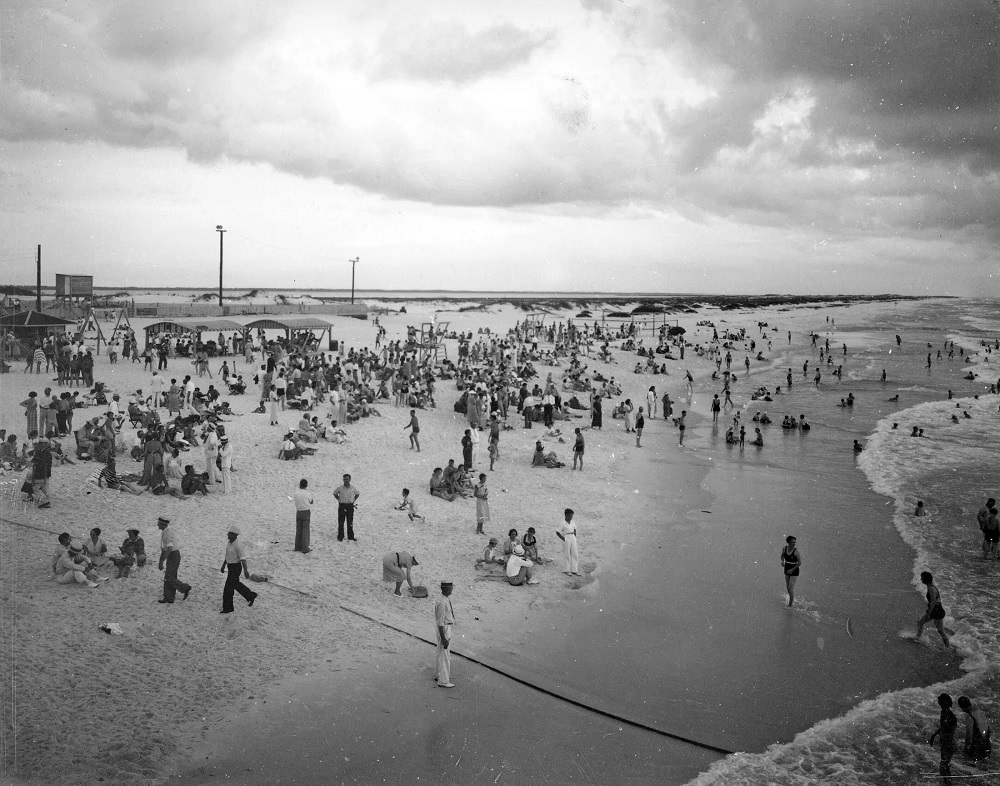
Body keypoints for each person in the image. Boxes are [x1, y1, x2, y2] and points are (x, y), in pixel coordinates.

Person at [219, 525, 257, 614]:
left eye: (229, 534)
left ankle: (228, 608)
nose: (228, 535)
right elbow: (227, 556)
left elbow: (243, 559)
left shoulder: (238, 545)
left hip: (236, 568)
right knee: (235, 584)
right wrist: (223, 565)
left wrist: (246, 571)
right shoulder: (229, 543)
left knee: (228, 588)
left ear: (235, 535)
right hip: (230, 567)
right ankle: (250, 596)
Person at [157, 516, 191, 604]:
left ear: (162, 524)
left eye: (159, 523)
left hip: (173, 555)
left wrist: (162, 560)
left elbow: (169, 548)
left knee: (169, 577)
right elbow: (164, 549)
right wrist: (160, 561)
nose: (157, 524)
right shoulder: (165, 532)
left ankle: (184, 588)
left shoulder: (167, 533)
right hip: (172, 555)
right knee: (169, 576)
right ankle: (169, 597)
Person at [915, 570, 950, 647]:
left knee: (940, 630)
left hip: (936, 610)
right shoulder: (931, 586)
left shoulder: (931, 588)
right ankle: (918, 638)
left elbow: (933, 602)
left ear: (925, 579)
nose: (921, 579)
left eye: (922, 578)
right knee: (939, 630)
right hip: (937, 609)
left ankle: (918, 638)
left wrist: (929, 613)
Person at [928, 693, 959, 776]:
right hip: (948, 743)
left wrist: (935, 736)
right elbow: (944, 728)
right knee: (945, 765)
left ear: (944, 703)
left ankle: (948, 782)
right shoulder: (947, 713)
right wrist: (934, 735)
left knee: (943, 767)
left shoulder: (947, 715)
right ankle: (948, 781)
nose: (940, 706)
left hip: (947, 744)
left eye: (940, 704)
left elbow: (946, 730)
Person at [957, 696, 992, 763]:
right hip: (987, 745)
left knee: (969, 762)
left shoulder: (970, 716)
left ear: (962, 707)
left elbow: (969, 734)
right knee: (984, 764)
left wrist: (967, 747)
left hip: (979, 748)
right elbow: (989, 730)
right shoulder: (979, 712)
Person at [434, 581, 456, 688]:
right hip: (445, 628)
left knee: (440, 652)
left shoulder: (443, 599)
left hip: (444, 627)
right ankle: (443, 680)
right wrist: (444, 638)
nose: (452, 589)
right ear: (447, 589)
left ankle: (438, 675)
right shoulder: (442, 602)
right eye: (451, 588)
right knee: (445, 654)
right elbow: (440, 622)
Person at [333, 473, 360, 543]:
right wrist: (339, 500)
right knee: (341, 522)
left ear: (350, 480)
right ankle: (340, 536)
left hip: (350, 506)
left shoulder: (353, 488)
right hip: (342, 506)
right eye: (344, 479)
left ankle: (351, 536)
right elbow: (335, 493)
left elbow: (357, 494)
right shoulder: (340, 488)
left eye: (347, 479)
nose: (345, 481)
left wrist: (354, 500)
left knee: (350, 522)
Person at [557, 508, 580, 576]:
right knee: (567, 554)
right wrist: (564, 539)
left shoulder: (572, 522)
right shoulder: (562, 523)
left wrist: (574, 537)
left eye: (572, 515)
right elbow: (557, 532)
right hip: (566, 537)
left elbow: (575, 529)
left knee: (575, 553)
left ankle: (574, 570)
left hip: (572, 537)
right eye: (570, 515)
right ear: (566, 515)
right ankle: (566, 570)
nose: (571, 517)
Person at [293, 478, 313, 553]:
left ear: (300, 485)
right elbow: (311, 501)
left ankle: (297, 546)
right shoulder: (307, 493)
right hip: (306, 512)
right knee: (305, 530)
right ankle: (305, 548)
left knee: (298, 530)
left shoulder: (296, 492)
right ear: (306, 485)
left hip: (298, 512)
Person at [781, 535, 800, 607]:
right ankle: (791, 598)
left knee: (791, 586)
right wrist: (782, 561)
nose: (794, 544)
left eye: (795, 542)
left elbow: (799, 563)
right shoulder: (784, 548)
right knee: (787, 586)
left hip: (794, 569)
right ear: (788, 542)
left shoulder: (796, 551)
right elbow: (782, 556)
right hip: (786, 567)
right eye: (792, 542)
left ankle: (790, 604)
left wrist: (791, 570)